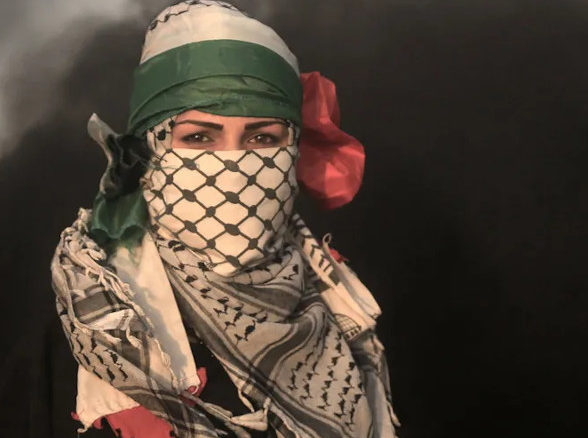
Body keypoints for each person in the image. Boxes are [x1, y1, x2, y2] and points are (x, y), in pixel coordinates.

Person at [50, 1, 399, 437]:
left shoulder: (336, 293)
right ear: (152, 149)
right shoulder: (92, 311)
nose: (233, 166)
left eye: (262, 138)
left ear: (293, 149)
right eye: (199, 137)